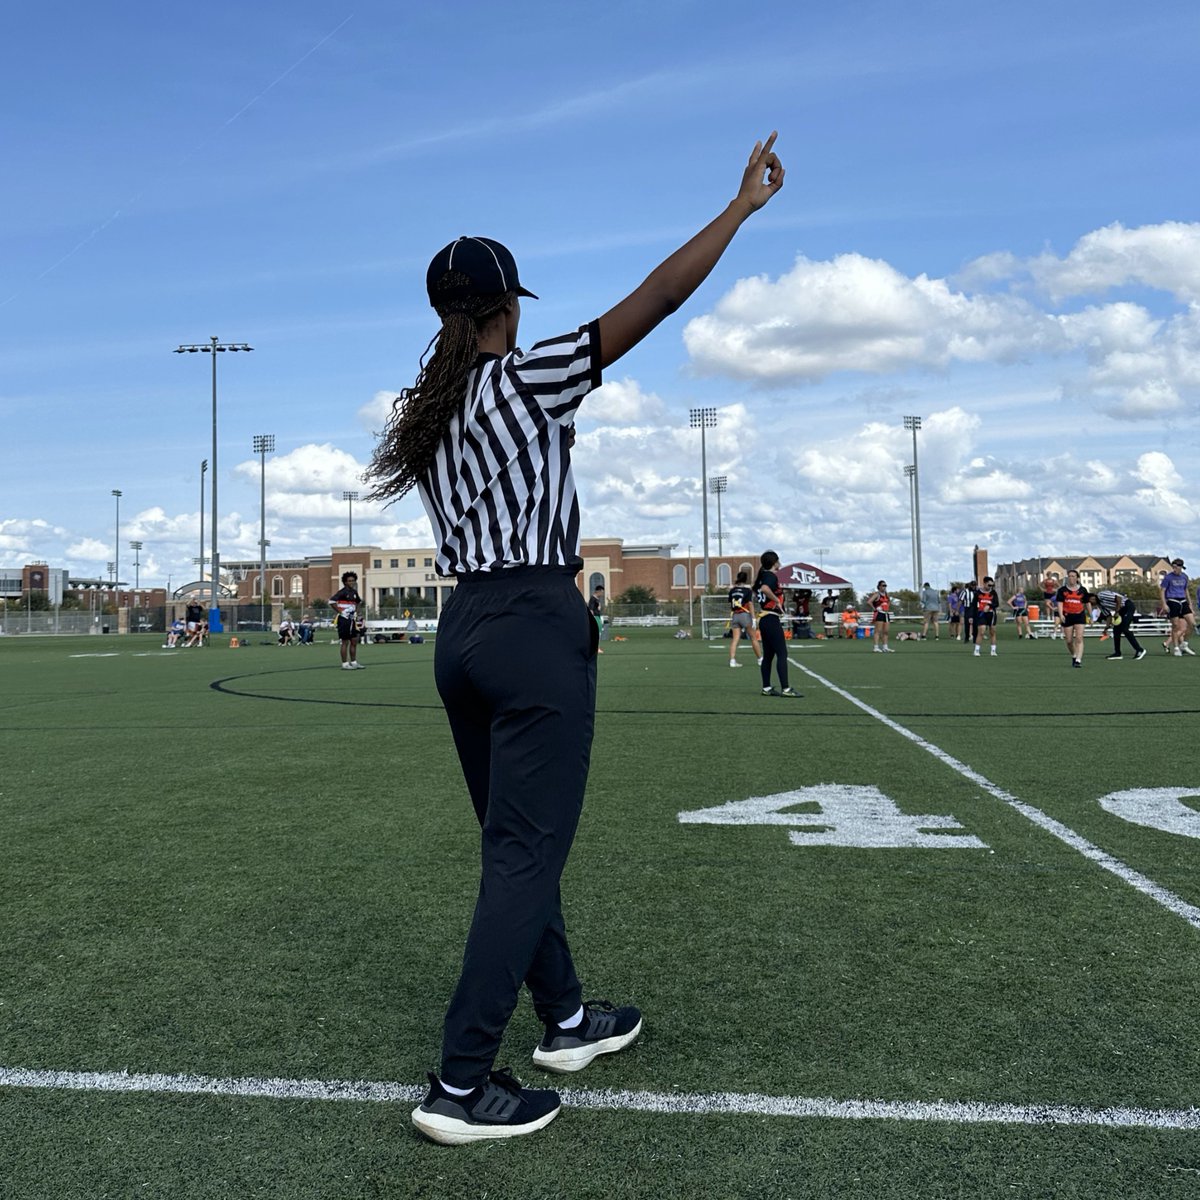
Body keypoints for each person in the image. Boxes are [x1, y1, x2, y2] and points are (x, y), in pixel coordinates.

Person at [362, 135, 785, 1144]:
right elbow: (656, 301)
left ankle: (565, 1017)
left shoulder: (427, 416)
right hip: (533, 623)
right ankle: (461, 1084)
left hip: (460, 629)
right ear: (506, 310)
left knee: (515, 844)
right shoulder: (528, 377)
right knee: (521, 853)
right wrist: (738, 211)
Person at [753, 550, 801, 696]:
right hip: (771, 618)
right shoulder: (770, 576)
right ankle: (786, 688)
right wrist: (776, 601)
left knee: (768, 655)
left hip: (765, 618)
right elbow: (765, 589)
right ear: (774, 562)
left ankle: (766, 687)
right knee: (782, 653)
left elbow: (757, 591)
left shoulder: (762, 576)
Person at [1090, 588, 1147, 660]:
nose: (1091, 604)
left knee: (1124, 628)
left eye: (1091, 601)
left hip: (1127, 606)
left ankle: (1140, 650)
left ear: (1093, 597)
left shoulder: (1101, 595)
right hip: (1121, 610)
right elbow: (1108, 616)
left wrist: (1117, 612)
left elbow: (1118, 598)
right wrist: (1106, 628)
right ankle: (1117, 653)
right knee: (1116, 630)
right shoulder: (1100, 605)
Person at [330, 571, 365, 670]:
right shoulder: (342, 592)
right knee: (345, 642)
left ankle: (354, 662)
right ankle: (345, 664)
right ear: (345, 582)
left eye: (353, 580)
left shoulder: (354, 592)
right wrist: (341, 612)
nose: (351, 582)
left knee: (354, 641)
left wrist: (356, 613)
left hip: (352, 619)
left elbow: (358, 602)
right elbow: (331, 602)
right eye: (349, 581)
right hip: (344, 620)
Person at [727, 570, 762, 667]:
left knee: (735, 639)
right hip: (745, 615)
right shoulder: (747, 591)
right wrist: (754, 618)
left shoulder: (732, 590)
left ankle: (732, 661)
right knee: (753, 638)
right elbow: (750, 604)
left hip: (735, 615)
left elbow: (731, 603)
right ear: (745, 580)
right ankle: (760, 659)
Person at [1160, 558, 1194, 657]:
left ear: (1181, 567)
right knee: (1175, 626)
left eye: (1176, 567)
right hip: (1172, 601)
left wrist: (1190, 603)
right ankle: (1176, 648)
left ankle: (1184, 644)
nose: (1174, 569)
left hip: (1183, 601)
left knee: (1192, 624)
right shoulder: (1168, 577)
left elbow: (1185, 590)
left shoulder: (1184, 577)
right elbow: (1162, 591)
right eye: (1173, 567)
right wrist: (1164, 604)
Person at [1056, 569, 1088, 667]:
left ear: (1077, 578)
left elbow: (1087, 603)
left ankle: (1078, 660)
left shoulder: (1083, 590)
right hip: (1067, 616)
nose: (1071, 578)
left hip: (1079, 615)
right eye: (1069, 576)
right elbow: (1060, 603)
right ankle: (1074, 655)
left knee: (1079, 638)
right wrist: (1061, 615)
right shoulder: (1062, 590)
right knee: (1069, 641)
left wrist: (1091, 615)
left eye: (1073, 576)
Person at [973, 576, 1000, 657]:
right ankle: (976, 650)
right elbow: (974, 605)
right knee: (981, 631)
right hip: (981, 614)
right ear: (984, 583)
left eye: (992, 585)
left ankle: (993, 650)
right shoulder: (977, 593)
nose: (990, 587)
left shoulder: (993, 593)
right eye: (989, 585)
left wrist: (989, 605)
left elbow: (996, 603)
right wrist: (973, 616)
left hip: (991, 614)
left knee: (992, 632)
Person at [867, 580, 894, 653]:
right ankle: (876, 647)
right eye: (883, 585)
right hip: (879, 614)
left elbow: (888, 602)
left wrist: (887, 607)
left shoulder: (886, 594)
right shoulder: (877, 594)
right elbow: (869, 602)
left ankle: (885, 647)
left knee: (886, 631)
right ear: (879, 586)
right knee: (877, 631)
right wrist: (875, 608)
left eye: (885, 585)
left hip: (886, 613)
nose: (884, 587)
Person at [1041, 571, 1061, 639]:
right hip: (1046, 592)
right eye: (1048, 575)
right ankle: (1048, 616)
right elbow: (1039, 584)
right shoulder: (1045, 581)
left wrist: (1055, 589)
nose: (1049, 575)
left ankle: (1053, 615)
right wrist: (1042, 589)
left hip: (1052, 593)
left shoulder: (1054, 581)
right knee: (1047, 604)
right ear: (1047, 575)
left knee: (1052, 604)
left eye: (1050, 575)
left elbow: (1059, 586)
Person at [587, 584, 605, 653]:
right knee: (596, 633)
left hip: (598, 617)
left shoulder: (597, 599)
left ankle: (597, 647)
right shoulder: (592, 599)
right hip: (595, 617)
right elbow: (591, 610)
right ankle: (596, 648)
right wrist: (592, 619)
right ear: (598, 591)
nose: (602, 594)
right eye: (602, 592)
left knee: (599, 633)